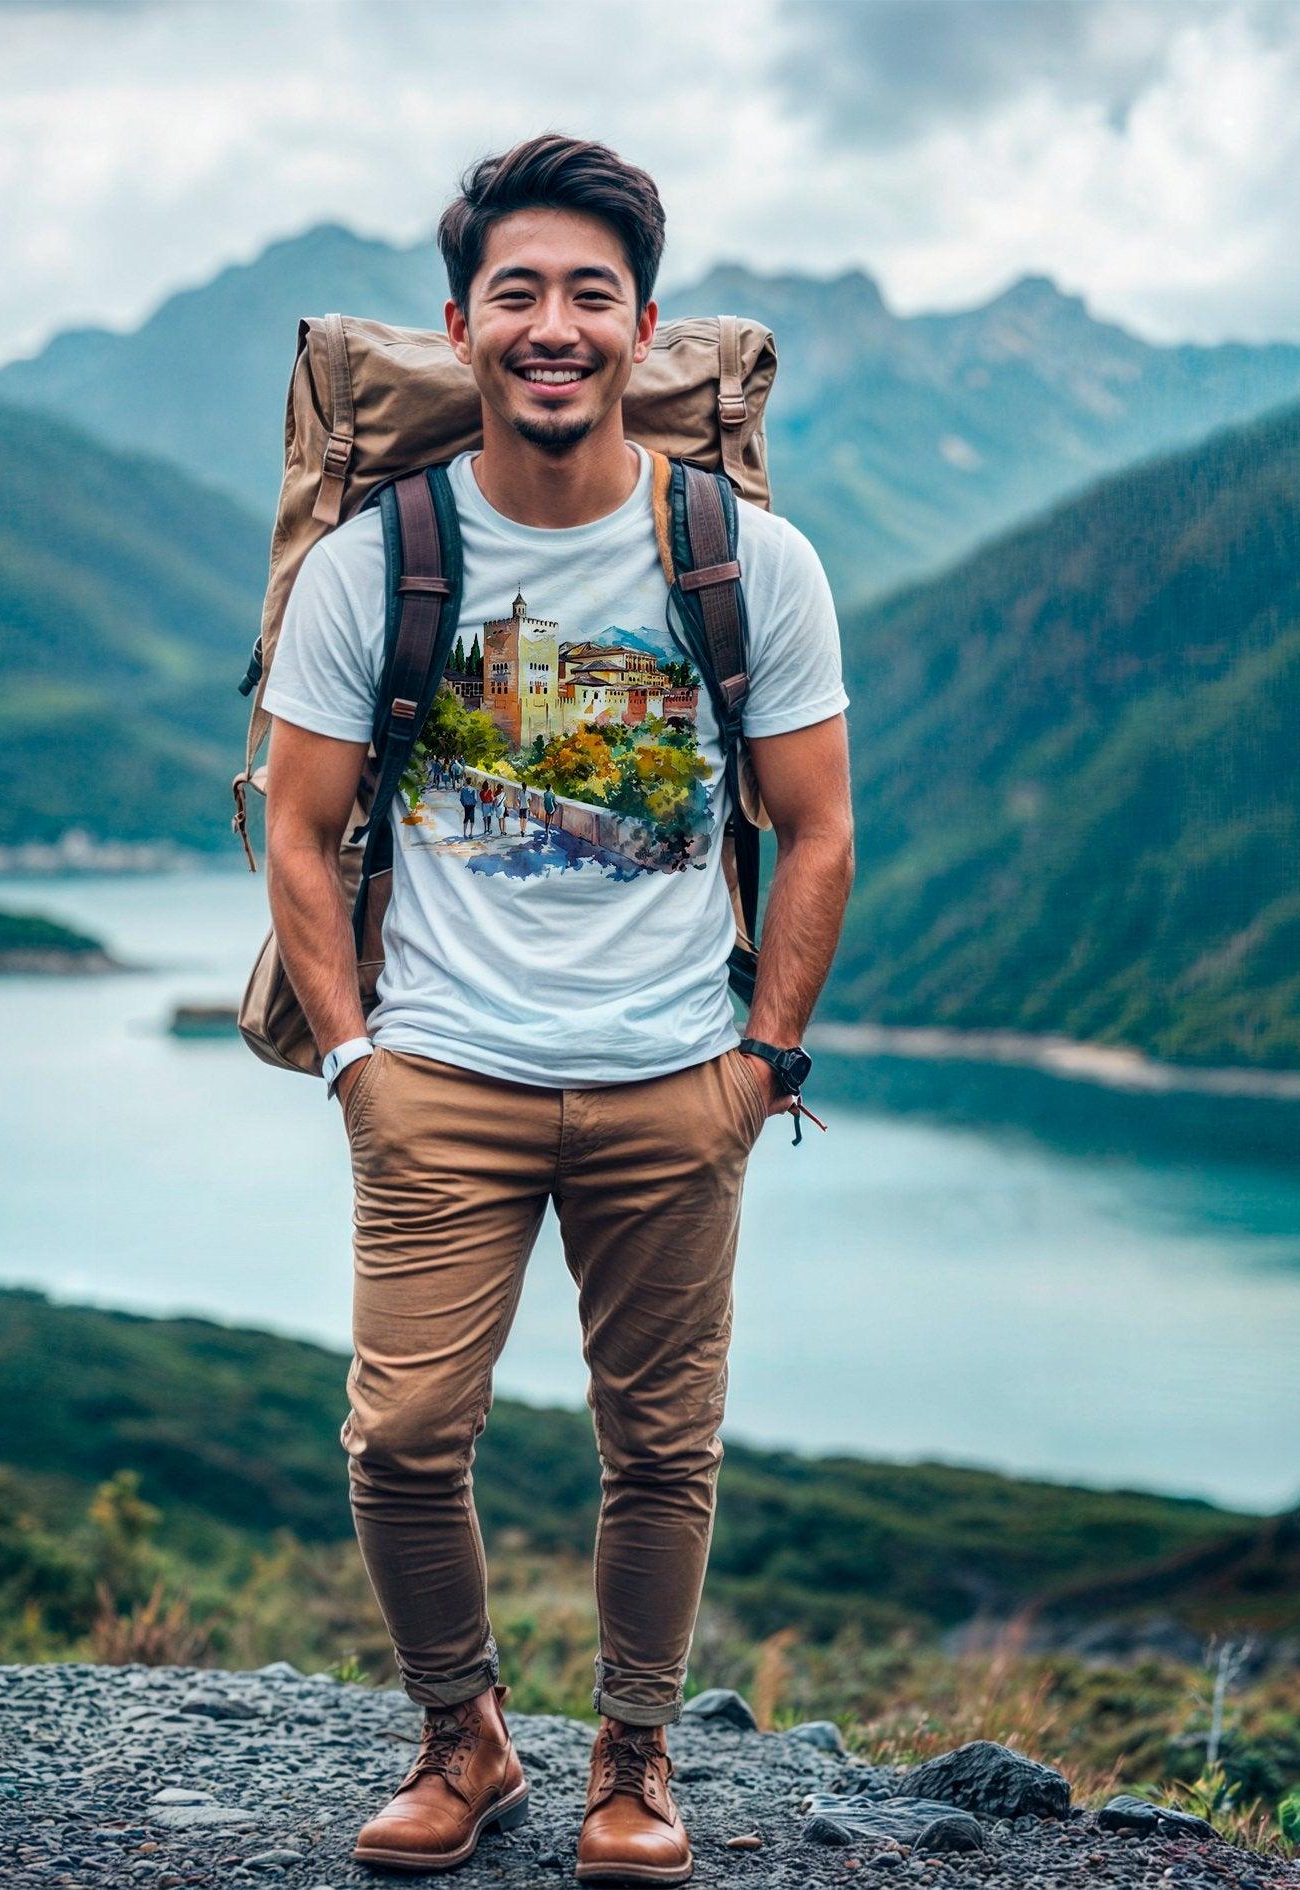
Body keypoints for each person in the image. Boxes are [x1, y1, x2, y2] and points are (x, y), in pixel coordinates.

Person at [260, 133, 852, 1884]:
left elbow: (812, 827)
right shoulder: (380, 562)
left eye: (588, 293)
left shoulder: (745, 558)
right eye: (516, 291)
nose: (552, 325)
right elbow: (295, 828)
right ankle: (466, 1739)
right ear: (460, 326)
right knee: (401, 1436)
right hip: (439, 1070)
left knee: (658, 1447)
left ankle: (635, 1764)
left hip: (678, 1076)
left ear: (641, 326)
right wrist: (357, 1053)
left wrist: (761, 1061)